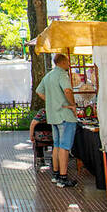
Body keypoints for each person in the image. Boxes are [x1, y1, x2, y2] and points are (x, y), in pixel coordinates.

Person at [35, 53, 78, 188]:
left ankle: (55, 174)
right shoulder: (62, 75)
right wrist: (72, 105)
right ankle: (63, 177)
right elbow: (67, 90)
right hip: (65, 115)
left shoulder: (48, 76)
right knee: (64, 147)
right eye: (67, 61)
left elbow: (39, 91)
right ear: (63, 62)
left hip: (53, 116)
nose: (68, 64)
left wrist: (51, 101)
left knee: (57, 145)